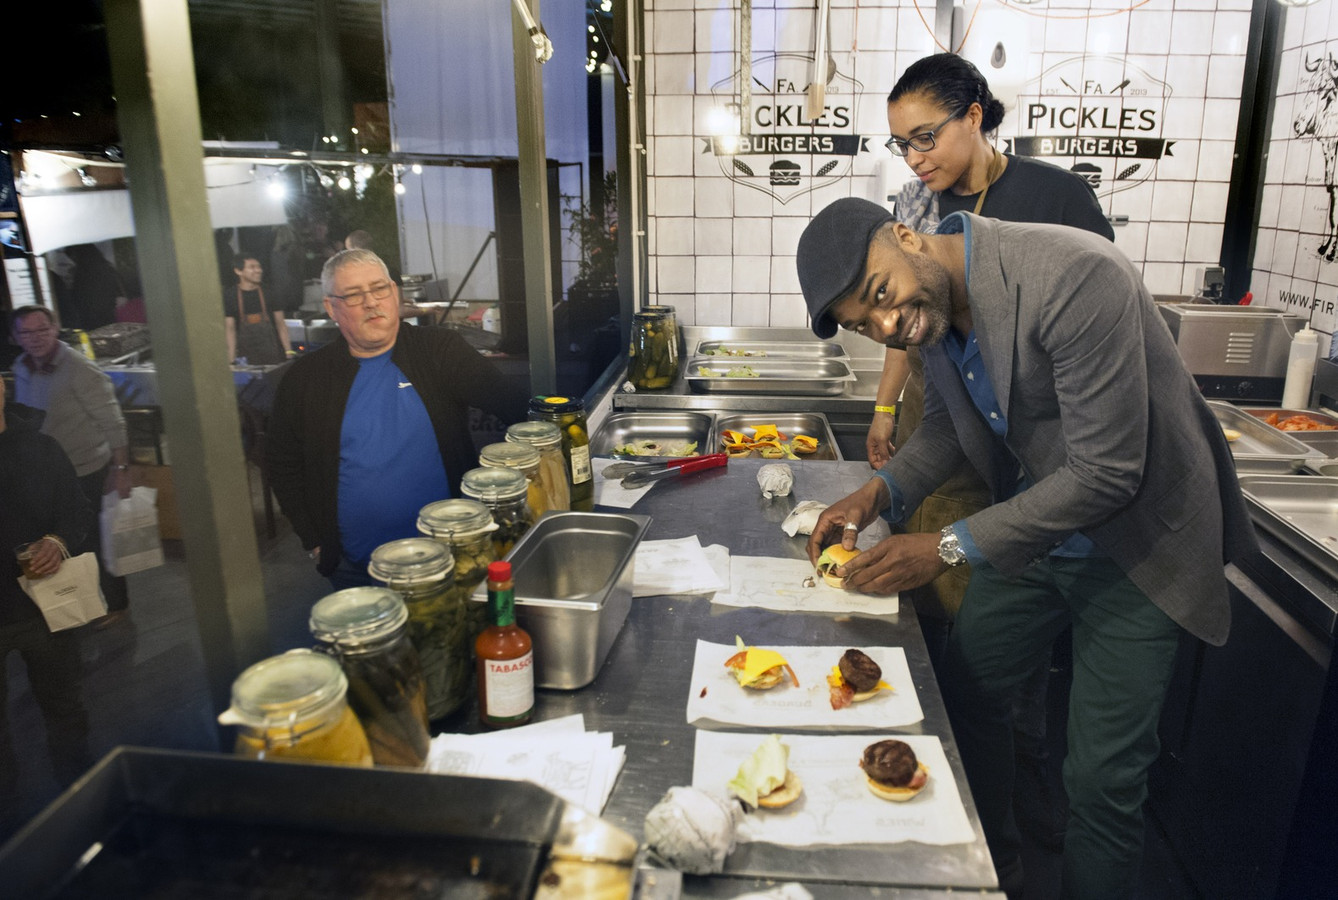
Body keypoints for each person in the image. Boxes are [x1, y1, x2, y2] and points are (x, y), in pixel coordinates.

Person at [796, 198, 1257, 899]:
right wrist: (878, 494)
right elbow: (951, 428)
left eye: (881, 295)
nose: (887, 324)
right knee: (970, 696)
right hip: (1037, 530)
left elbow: (1108, 472)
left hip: (1142, 546)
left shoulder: (1072, 276)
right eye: (865, 324)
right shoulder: (933, 317)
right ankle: (994, 873)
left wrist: (946, 548)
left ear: (906, 236)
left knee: (1101, 781)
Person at [872, 53, 1118, 850]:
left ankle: (1036, 805)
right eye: (902, 146)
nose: (916, 159)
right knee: (975, 660)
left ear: (976, 112)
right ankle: (995, 841)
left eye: (926, 137)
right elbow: (912, 326)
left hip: (1075, 474)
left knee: (1090, 767)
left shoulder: (1055, 202)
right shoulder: (918, 205)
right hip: (997, 459)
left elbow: (1088, 380)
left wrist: (944, 538)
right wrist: (885, 409)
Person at [266, 248, 529, 589]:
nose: (371, 302)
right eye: (354, 295)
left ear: (394, 293)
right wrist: (314, 539)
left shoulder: (439, 351)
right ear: (332, 307)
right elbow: (282, 463)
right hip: (355, 569)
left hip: (451, 559)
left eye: (379, 289)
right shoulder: (306, 378)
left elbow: (518, 409)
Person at [0, 376, 95, 798]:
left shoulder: (40, 448)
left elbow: (76, 510)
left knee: (64, 707)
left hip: (44, 606)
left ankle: (82, 798)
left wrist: (56, 542)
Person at [11, 306, 133, 627]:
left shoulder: (78, 368)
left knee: (93, 540)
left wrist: (121, 469)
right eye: (26, 332)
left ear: (56, 329)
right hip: (45, 473)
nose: (35, 338)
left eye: (42, 330)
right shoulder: (20, 367)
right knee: (59, 542)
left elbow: (112, 420)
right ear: (15, 337)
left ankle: (116, 605)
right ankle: (74, 606)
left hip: (86, 468)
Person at [224, 253, 292, 366]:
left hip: (273, 355)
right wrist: (231, 361)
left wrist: (289, 353)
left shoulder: (270, 292)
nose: (258, 270)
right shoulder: (230, 296)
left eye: (259, 266)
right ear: (238, 271)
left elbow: (281, 325)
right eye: (252, 267)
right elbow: (230, 330)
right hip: (245, 358)